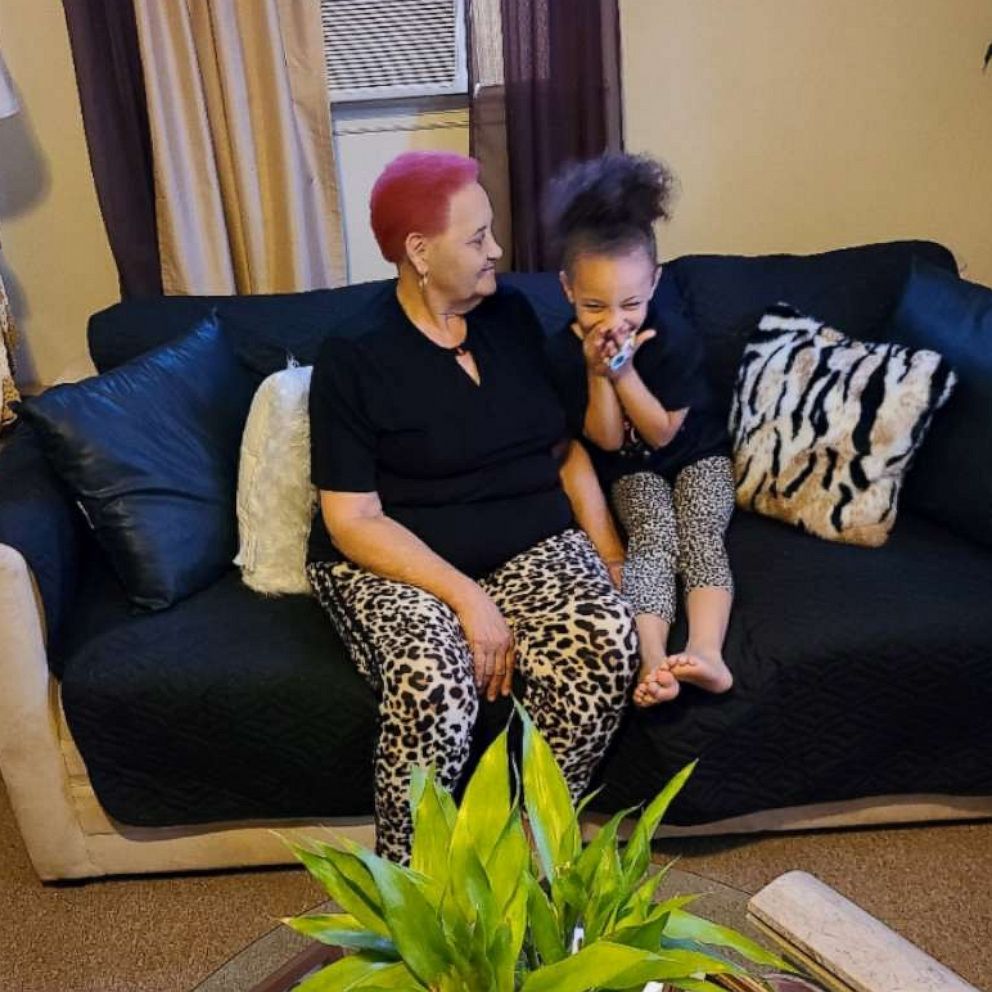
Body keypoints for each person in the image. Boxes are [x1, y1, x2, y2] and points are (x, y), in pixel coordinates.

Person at [305, 151, 638, 862]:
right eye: (477, 237)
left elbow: (564, 448)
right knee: (434, 679)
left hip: (527, 543)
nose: (498, 252)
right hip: (397, 560)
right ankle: (416, 880)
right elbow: (352, 517)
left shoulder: (509, 316)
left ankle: (533, 848)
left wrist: (608, 552)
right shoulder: (354, 355)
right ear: (419, 253)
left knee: (606, 640)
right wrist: (466, 599)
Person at [543, 153, 735, 709]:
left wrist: (623, 371)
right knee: (652, 541)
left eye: (631, 302)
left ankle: (706, 652)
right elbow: (605, 440)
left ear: (654, 282)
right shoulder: (566, 350)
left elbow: (661, 433)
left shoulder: (670, 335)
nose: (614, 321)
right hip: (630, 470)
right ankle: (651, 659)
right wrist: (596, 371)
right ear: (566, 290)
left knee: (699, 534)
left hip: (698, 456)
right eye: (593, 305)